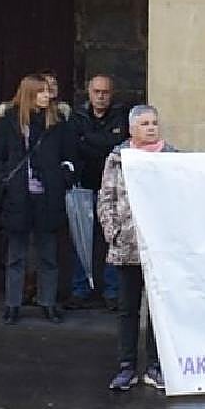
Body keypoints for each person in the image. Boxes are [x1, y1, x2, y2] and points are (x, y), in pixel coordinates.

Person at [99, 104, 177, 392]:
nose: (151, 128)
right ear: (132, 129)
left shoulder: (172, 158)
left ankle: (156, 366)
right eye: (144, 123)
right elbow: (106, 197)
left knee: (158, 311)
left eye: (154, 122)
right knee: (128, 309)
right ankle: (126, 366)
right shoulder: (118, 159)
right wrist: (114, 231)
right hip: (127, 245)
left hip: (160, 247)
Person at [0, 74, 77, 325]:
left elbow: (70, 155)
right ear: (29, 93)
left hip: (47, 195)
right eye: (40, 91)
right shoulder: (10, 121)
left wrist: (63, 176)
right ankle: (13, 303)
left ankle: (48, 302)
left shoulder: (57, 121)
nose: (46, 95)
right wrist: (3, 178)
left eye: (47, 91)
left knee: (48, 254)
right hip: (18, 195)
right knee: (16, 253)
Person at [64, 73, 126, 311]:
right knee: (81, 238)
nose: (101, 97)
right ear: (88, 93)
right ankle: (80, 289)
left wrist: (87, 140)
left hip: (111, 188)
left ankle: (112, 292)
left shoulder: (120, 116)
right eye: (96, 92)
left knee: (111, 239)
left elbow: (117, 146)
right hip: (83, 185)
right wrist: (102, 143)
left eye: (105, 92)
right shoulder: (78, 117)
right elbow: (73, 146)